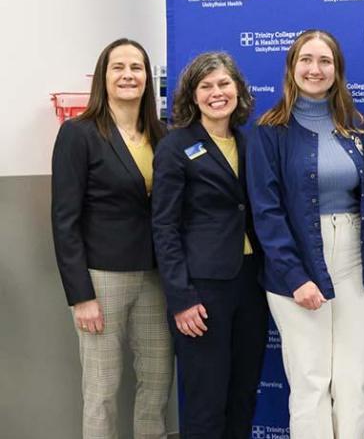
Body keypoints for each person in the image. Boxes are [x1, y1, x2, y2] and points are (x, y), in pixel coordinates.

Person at [247, 29, 364, 439]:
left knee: (356, 379)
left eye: (325, 61)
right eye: (306, 59)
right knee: (310, 378)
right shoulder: (269, 132)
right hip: (298, 262)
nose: (315, 69)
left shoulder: (354, 127)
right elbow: (266, 213)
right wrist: (294, 276)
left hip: (356, 258)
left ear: (337, 70)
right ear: (291, 67)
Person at [51, 38, 172, 439]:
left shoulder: (162, 134)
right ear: (103, 77)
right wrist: (80, 295)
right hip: (102, 279)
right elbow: (64, 219)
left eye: (136, 67)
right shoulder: (78, 133)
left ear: (147, 79)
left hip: (156, 277)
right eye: (118, 67)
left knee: (157, 385)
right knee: (102, 390)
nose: (128, 75)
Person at [152, 52, 267, 438]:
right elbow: (164, 226)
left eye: (224, 84)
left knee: (243, 394)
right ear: (193, 96)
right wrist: (181, 298)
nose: (217, 93)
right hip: (203, 289)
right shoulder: (175, 146)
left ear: (238, 90)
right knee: (205, 400)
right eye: (206, 86)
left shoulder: (250, 142)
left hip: (251, 285)